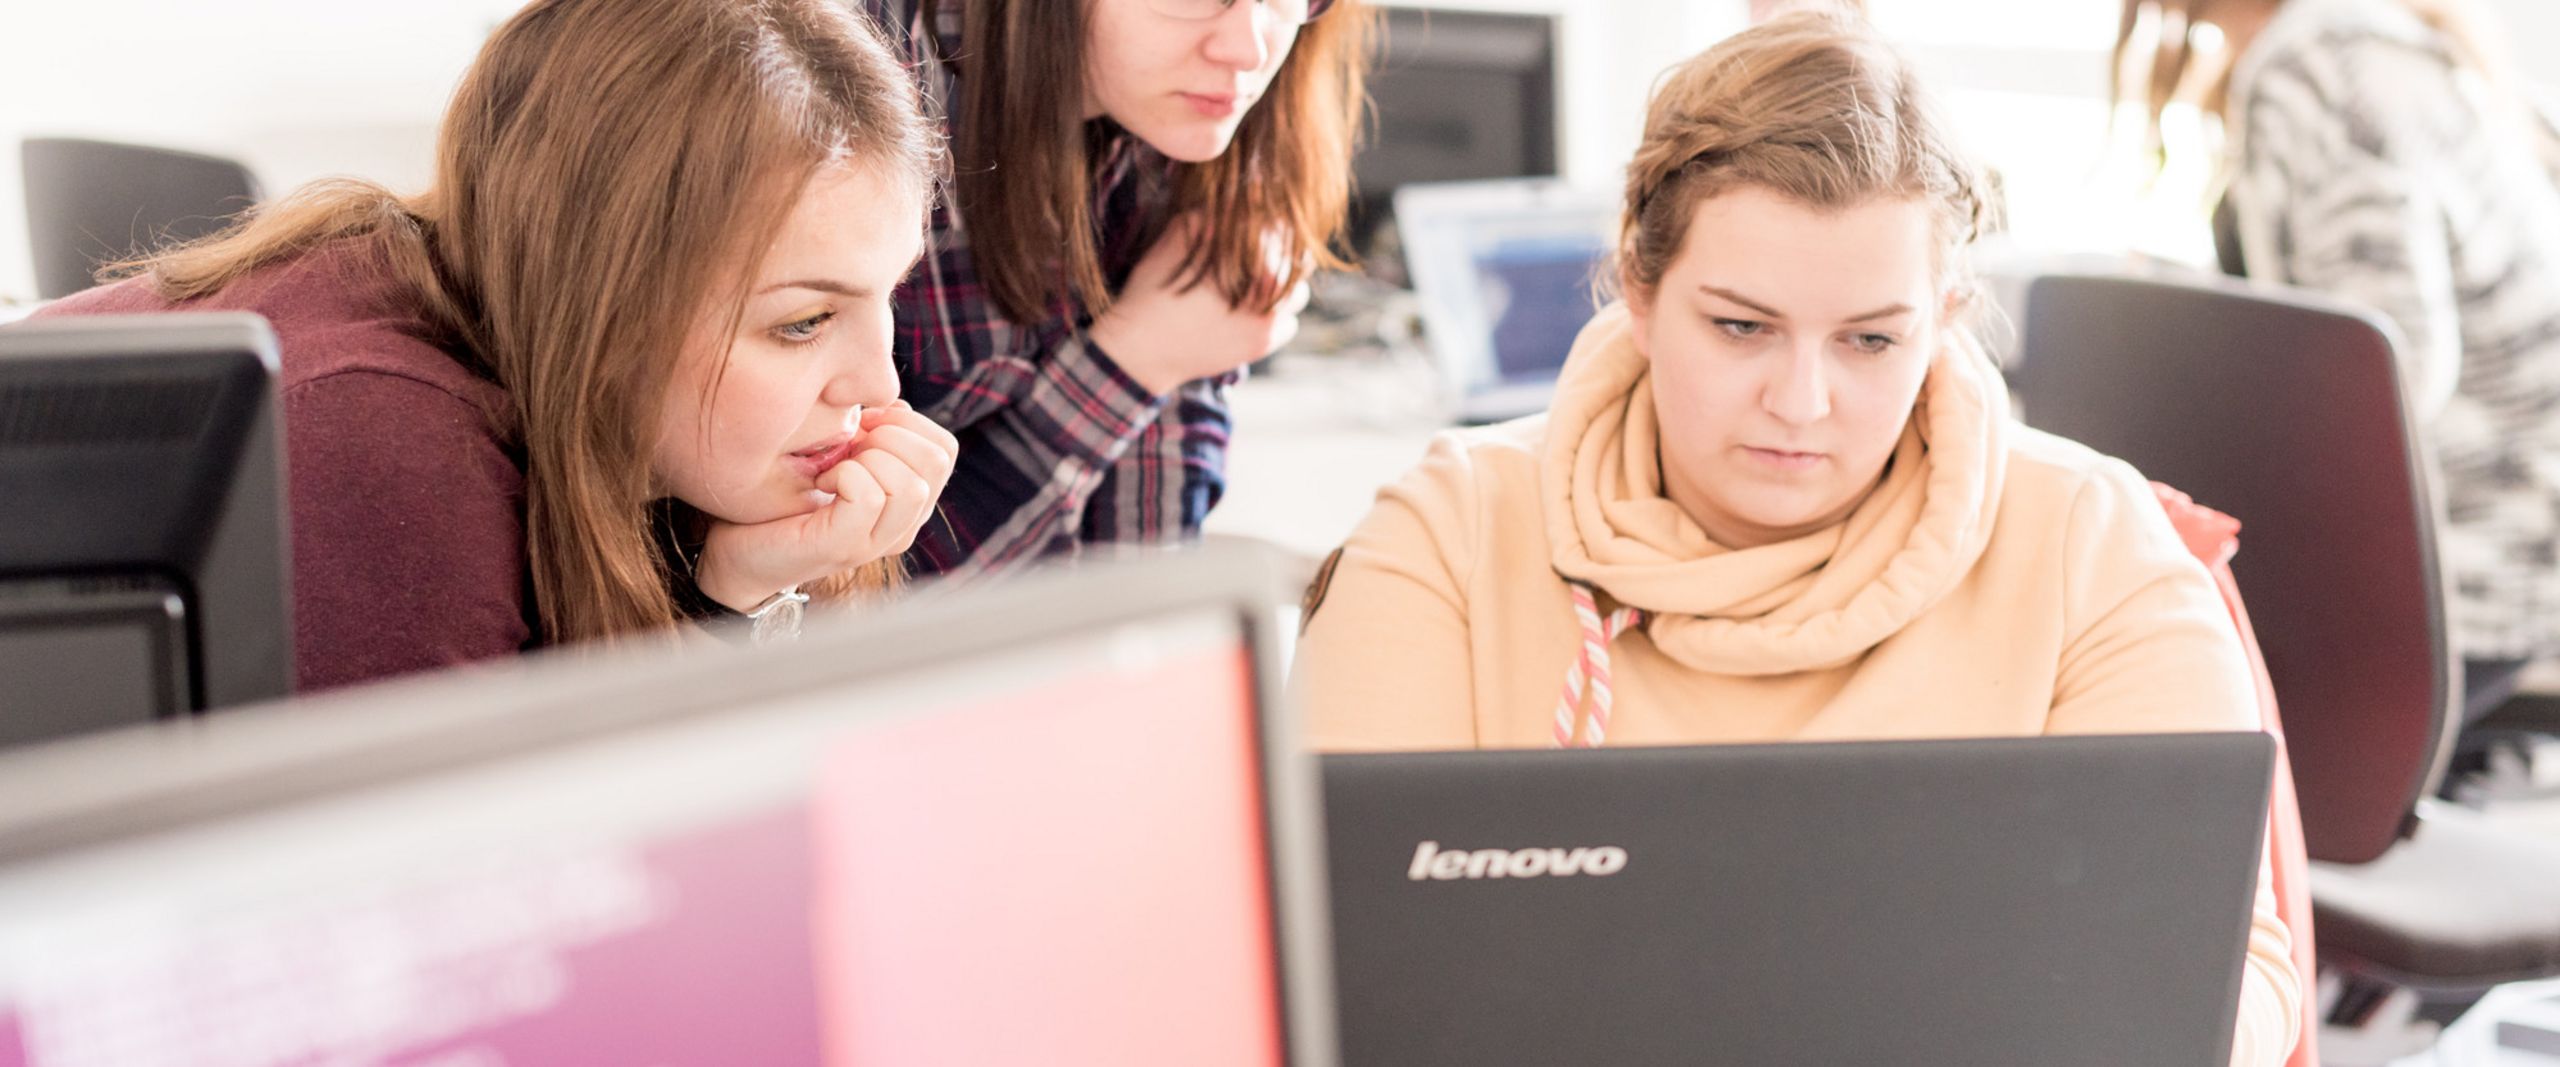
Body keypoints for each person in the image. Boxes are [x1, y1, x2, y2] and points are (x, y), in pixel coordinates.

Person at [1291, 14, 2301, 1064]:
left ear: (1944, 316)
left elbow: (2226, 976)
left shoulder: (2089, 541)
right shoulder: (1447, 534)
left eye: (1870, 339)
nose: (1802, 402)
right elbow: (1329, 959)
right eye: (1740, 327)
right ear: (1639, 292)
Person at [24, 0, 956, 692]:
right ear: (610, 301)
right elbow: (509, 892)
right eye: (800, 322)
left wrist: (740, 584)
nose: (879, 382)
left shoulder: (496, 308)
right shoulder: (387, 440)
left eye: (886, 297)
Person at [2115, 0, 2560, 725]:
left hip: (2484, 564)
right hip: (2520, 538)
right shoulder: (2372, 39)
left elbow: (2387, 370)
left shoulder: (2315, 65)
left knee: (2152, 672)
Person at [858, 0, 1371, 580]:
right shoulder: (858, 81)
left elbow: (1137, 585)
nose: (1251, 50)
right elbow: (844, 598)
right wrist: (1132, 365)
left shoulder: (1175, 118)